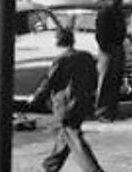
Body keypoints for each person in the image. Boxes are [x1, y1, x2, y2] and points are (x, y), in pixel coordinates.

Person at [31, 29, 103, 172]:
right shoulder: (86, 57)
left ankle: (92, 168)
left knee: (73, 136)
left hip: (66, 104)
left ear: (58, 42)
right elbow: (94, 79)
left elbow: (49, 82)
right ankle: (51, 164)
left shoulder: (61, 60)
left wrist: (36, 98)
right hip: (83, 101)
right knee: (66, 135)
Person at [93, 0, 126, 122]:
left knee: (116, 81)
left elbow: (122, 31)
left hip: (118, 48)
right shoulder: (104, 13)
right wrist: (107, 49)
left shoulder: (119, 13)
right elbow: (100, 34)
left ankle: (112, 110)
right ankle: (102, 112)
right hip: (107, 51)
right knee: (105, 81)